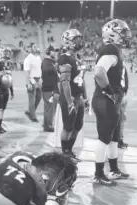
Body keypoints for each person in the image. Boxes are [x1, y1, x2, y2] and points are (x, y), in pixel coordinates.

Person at [92, 19, 131, 185]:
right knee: (104, 138)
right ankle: (99, 173)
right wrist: (110, 92)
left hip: (111, 100)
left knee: (114, 138)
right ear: (112, 35)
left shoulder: (115, 49)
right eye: (122, 33)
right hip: (105, 100)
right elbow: (99, 72)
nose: (125, 36)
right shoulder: (110, 49)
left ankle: (114, 170)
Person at [57, 29, 87, 161]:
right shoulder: (65, 58)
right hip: (70, 97)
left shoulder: (78, 58)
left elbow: (81, 80)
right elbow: (64, 82)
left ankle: (70, 151)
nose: (79, 42)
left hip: (79, 97)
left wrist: (85, 97)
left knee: (77, 127)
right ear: (67, 42)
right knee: (68, 127)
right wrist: (69, 102)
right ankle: (65, 153)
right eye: (76, 40)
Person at [0, 46, 14, 134]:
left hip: (5, 89)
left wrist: (12, 91)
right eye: (5, 52)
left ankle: (0, 125)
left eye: (8, 53)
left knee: (3, 109)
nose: (7, 54)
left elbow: (10, 80)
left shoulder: (8, 65)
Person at [41, 45, 60, 132]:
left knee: (51, 107)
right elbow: (45, 72)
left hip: (52, 88)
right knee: (49, 107)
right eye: (53, 51)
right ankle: (48, 125)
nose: (55, 53)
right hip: (48, 88)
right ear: (49, 52)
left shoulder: (51, 62)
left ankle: (47, 123)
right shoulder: (46, 62)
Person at [23, 43, 42, 123]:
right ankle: (33, 116)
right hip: (32, 79)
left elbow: (39, 69)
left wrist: (41, 78)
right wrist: (28, 83)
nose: (35, 48)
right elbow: (27, 72)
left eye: (36, 46)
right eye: (34, 47)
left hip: (38, 78)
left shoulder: (38, 57)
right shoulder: (28, 59)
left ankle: (29, 111)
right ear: (30, 49)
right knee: (32, 99)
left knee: (39, 97)